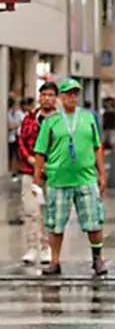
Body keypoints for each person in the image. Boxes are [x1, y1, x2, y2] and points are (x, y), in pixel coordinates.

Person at [33, 78, 108, 276]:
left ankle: (97, 258)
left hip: (86, 178)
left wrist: (102, 174)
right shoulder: (51, 121)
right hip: (58, 180)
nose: (73, 97)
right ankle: (55, 261)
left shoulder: (88, 118)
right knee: (55, 225)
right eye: (69, 93)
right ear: (61, 97)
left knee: (94, 222)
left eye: (76, 93)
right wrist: (36, 180)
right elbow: (40, 151)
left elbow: (97, 147)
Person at [17, 82, 58, 265]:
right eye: (44, 94)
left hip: (52, 174)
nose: (47, 98)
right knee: (32, 210)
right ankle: (32, 247)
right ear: (39, 97)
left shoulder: (60, 120)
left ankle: (46, 247)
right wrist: (31, 160)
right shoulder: (29, 119)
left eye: (51, 95)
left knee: (49, 211)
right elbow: (22, 143)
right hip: (30, 172)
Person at [8, 97, 25, 177]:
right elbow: (11, 126)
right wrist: (16, 124)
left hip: (14, 136)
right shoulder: (11, 113)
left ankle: (15, 170)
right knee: (13, 154)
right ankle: (12, 170)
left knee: (16, 154)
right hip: (13, 136)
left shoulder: (13, 113)